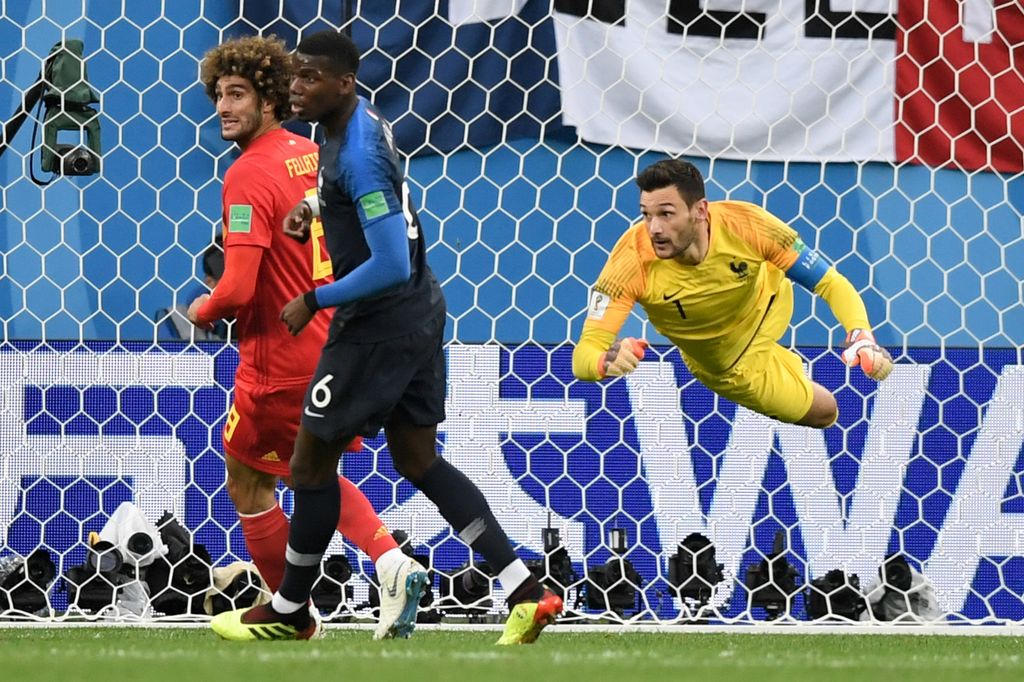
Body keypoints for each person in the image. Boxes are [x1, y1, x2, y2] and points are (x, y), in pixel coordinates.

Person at [210, 29, 562, 645]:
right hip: (422, 313)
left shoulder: (354, 154)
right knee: (417, 459)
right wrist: (315, 206)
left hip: (376, 324)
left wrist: (315, 297)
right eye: (293, 77)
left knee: (309, 463)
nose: (295, 89)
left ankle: (291, 609)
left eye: (309, 78)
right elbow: (371, 198)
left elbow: (390, 261)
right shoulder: (347, 129)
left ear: (344, 83)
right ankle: (526, 591)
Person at [188, 34, 428, 640]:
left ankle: (298, 613)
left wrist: (203, 306)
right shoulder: (311, 151)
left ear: (271, 100)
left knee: (251, 476)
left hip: (276, 355)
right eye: (219, 94)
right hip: (327, 342)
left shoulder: (246, 174)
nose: (224, 106)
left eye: (238, 94)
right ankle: (385, 563)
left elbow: (238, 287)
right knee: (306, 469)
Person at [572, 158, 893, 427]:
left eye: (666, 214)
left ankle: (786, 364)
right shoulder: (630, 262)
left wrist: (861, 336)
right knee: (826, 413)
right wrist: (602, 362)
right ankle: (783, 370)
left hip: (771, 301)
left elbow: (829, 282)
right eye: (646, 214)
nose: (654, 228)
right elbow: (583, 354)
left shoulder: (748, 224)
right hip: (730, 362)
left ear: (700, 210)